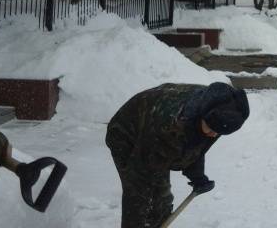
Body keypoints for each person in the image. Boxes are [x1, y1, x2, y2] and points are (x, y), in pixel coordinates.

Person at [106, 82, 250, 227]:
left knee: (161, 201)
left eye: (218, 132)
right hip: (127, 134)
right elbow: (138, 185)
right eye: (212, 129)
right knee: (144, 196)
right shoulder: (170, 127)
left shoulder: (220, 111)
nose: (214, 135)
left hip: (154, 127)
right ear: (203, 115)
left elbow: (197, 144)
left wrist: (197, 176)